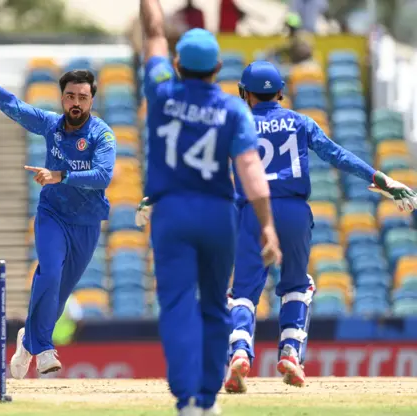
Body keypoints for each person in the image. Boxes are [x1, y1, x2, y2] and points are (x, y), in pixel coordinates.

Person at [223, 61, 417, 394]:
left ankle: (240, 353)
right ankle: (290, 354)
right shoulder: (299, 121)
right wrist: (380, 178)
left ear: (244, 94)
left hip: (253, 212)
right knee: (298, 285)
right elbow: (336, 154)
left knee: (243, 293)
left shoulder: (236, 125)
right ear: (281, 92)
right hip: (295, 212)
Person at [137, 1, 282, 414]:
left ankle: (187, 401)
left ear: (179, 64)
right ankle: (207, 396)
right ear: (218, 68)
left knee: (178, 304)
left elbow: (153, 34)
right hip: (219, 214)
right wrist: (267, 226)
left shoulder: (162, 89)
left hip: (172, 214)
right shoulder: (233, 107)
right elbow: (250, 168)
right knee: (216, 305)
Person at [0, 39, 116, 379]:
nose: (76, 103)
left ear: (92, 99)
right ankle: (44, 349)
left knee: (59, 294)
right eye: (70, 96)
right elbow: (13, 106)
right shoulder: (51, 124)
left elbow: (103, 176)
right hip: (53, 215)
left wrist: (60, 175)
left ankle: (27, 343)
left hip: (87, 222)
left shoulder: (102, 135)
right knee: (49, 273)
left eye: (83, 97)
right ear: (62, 97)